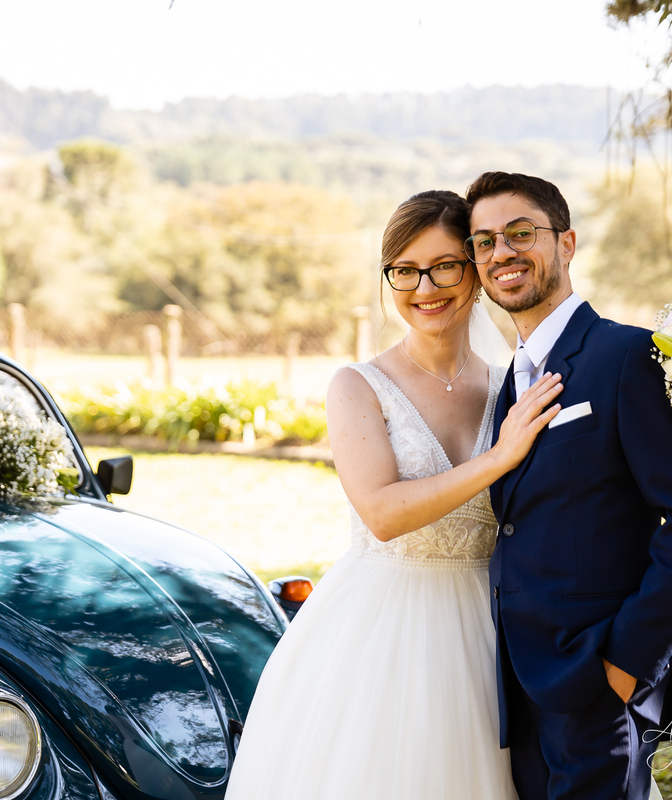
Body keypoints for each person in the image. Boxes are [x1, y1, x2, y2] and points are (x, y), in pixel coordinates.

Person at [225, 190, 564, 799]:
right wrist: (498, 457)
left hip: (497, 624)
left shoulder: (514, 385)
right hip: (384, 627)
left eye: (444, 266)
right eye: (404, 271)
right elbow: (382, 512)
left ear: (475, 270)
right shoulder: (357, 386)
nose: (424, 287)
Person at [466, 171, 672, 800]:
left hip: (597, 680)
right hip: (521, 684)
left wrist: (626, 665)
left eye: (521, 233)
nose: (501, 252)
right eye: (484, 242)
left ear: (566, 243)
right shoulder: (508, 384)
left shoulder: (629, 357)